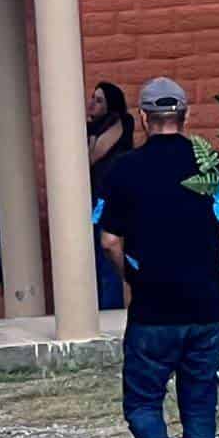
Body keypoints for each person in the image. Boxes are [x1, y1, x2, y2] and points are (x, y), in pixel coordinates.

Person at [98, 78, 219, 438]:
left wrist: (131, 276)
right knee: (200, 406)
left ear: (145, 118)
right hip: (207, 306)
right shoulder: (211, 164)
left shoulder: (125, 170)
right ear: (186, 115)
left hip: (153, 308)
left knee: (143, 405)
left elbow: (110, 240)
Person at [88, 81, 136, 310]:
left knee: (107, 249)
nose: (92, 105)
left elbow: (95, 154)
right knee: (93, 256)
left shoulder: (120, 121)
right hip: (92, 194)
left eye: (99, 100)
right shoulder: (90, 127)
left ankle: (111, 307)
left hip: (108, 195)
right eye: (92, 99)